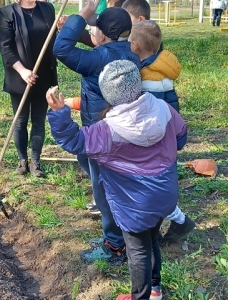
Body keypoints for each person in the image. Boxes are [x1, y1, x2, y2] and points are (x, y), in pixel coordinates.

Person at [46, 60, 187, 300]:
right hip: (164, 194)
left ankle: (140, 296)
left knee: (138, 252)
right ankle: (155, 289)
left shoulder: (107, 130)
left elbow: (74, 142)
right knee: (152, 238)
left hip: (134, 205)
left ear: (107, 93)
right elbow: (180, 139)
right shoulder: (163, 109)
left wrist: (59, 113)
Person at [66, 0, 196, 244]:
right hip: (157, 140)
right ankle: (165, 226)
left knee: (143, 188)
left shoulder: (142, 77)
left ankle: (129, 239)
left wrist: (79, 19)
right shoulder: (153, 67)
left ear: (135, 41)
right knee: (153, 188)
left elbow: (145, 115)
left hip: (142, 138)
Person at [54, 1, 140, 266]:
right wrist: (76, 25)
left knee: (102, 187)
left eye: (95, 30)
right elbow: (96, 48)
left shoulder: (98, 59)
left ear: (102, 34)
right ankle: (121, 235)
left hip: (100, 133)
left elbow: (61, 48)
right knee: (104, 178)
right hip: (125, 130)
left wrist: (80, 16)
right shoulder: (130, 53)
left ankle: (114, 245)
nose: (93, 34)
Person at [0, 0, 58, 177]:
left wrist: (59, 28)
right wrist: (23, 71)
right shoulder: (7, 13)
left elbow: (52, 38)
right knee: (21, 121)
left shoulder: (47, 8)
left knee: (39, 121)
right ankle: (22, 160)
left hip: (43, 74)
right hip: (19, 76)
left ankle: (35, 161)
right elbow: (6, 48)